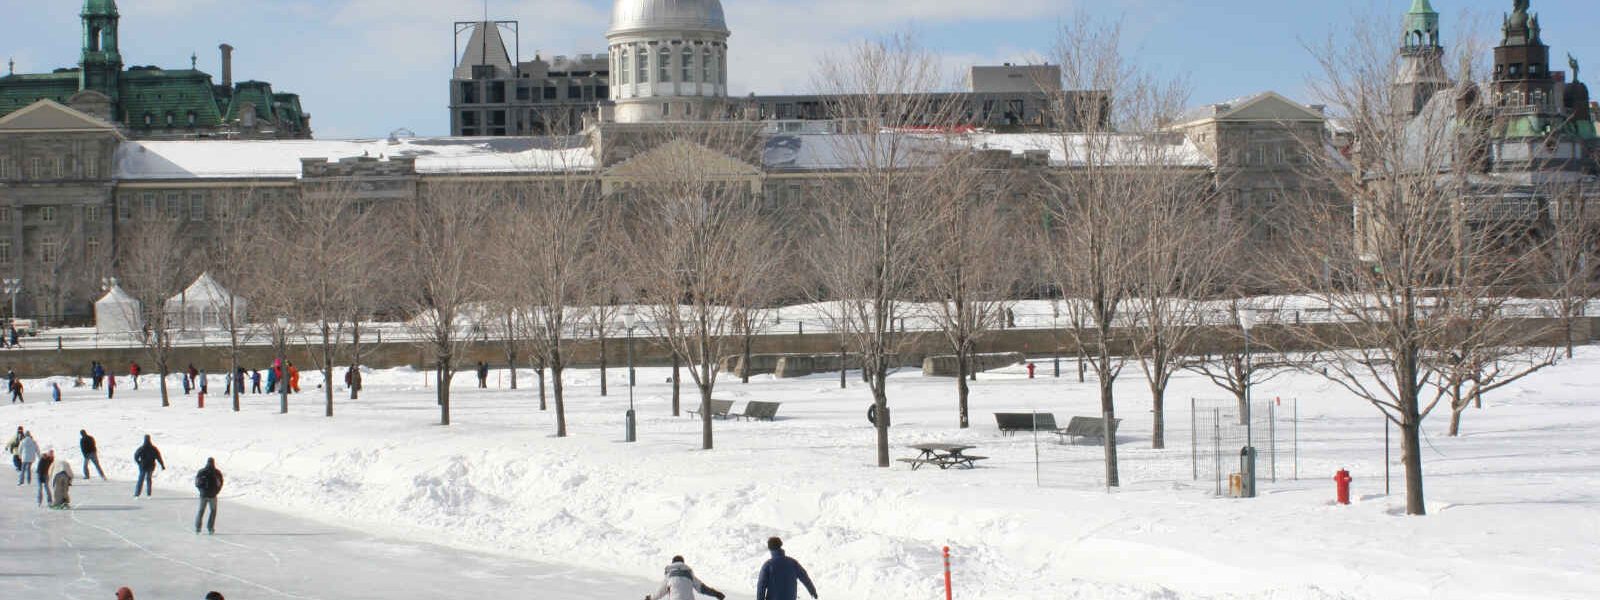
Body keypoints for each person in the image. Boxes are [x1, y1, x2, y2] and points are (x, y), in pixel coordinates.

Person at [646, 556, 727, 600]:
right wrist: (716, 594)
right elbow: (702, 588)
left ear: (672, 563)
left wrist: (650, 598)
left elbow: (660, 592)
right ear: (683, 563)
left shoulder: (669, 575)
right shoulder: (689, 574)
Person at [194, 457, 223, 534]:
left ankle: (198, 528)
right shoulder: (217, 472)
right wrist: (216, 492)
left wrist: (201, 491)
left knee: (201, 511)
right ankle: (210, 528)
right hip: (212, 496)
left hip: (203, 495)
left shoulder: (201, 471)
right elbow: (220, 484)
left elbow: (197, 483)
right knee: (213, 511)